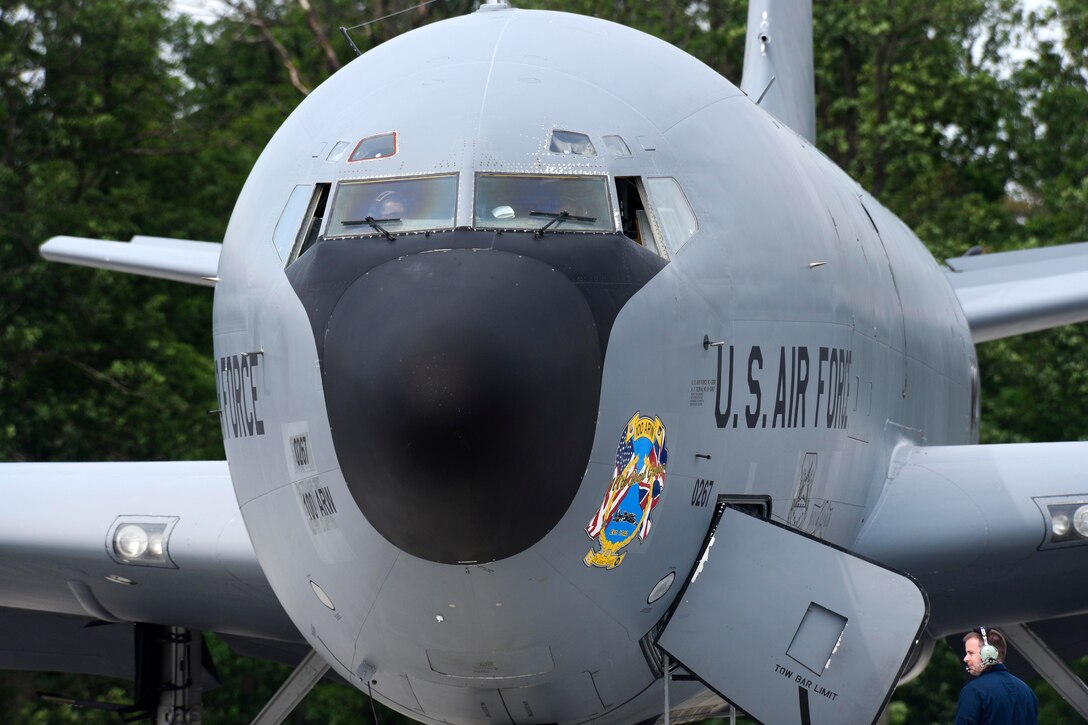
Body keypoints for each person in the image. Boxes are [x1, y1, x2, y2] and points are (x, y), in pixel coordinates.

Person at [954, 628, 1038, 724]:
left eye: (971, 653)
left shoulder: (974, 690)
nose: (966, 658)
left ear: (988, 654)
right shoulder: (1028, 692)